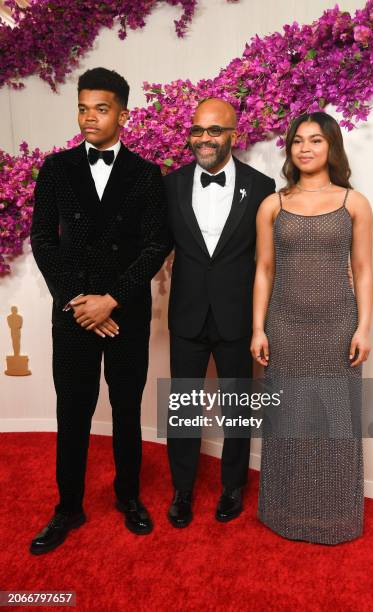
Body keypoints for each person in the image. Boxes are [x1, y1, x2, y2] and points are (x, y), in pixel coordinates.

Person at [29, 67, 170, 554]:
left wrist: (111, 300)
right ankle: (68, 507)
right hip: (72, 313)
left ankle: (129, 497)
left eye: (101, 109)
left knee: (127, 408)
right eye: (83, 108)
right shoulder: (55, 168)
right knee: (72, 411)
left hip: (124, 311)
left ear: (123, 115)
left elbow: (156, 245)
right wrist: (77, 301)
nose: (90, 117)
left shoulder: (147, 175)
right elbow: (43, 240)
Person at [251, 112, 373, 544]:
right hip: (283, 325)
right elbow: (264, 269)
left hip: (338, 324)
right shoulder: (273, 204)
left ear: (331, 147)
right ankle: (284, 513)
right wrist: (258, 328)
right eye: (298, 141)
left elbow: (362, 269)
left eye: (315, 140)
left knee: (336, 419)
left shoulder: (353, 202)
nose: (305, 148)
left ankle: (335, 516)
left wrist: (363, 327)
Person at [164, 98, 276, 527]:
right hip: (187, 315)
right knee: (185, 407)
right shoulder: (170, 185)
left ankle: (233, 486)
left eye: (214, 131)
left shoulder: (261, 186)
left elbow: (269, 259)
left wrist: (263, 322)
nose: (204, 139)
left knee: (237, 408)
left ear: (233, 134)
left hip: (236, 316)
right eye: (197, 130)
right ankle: (182, 489)